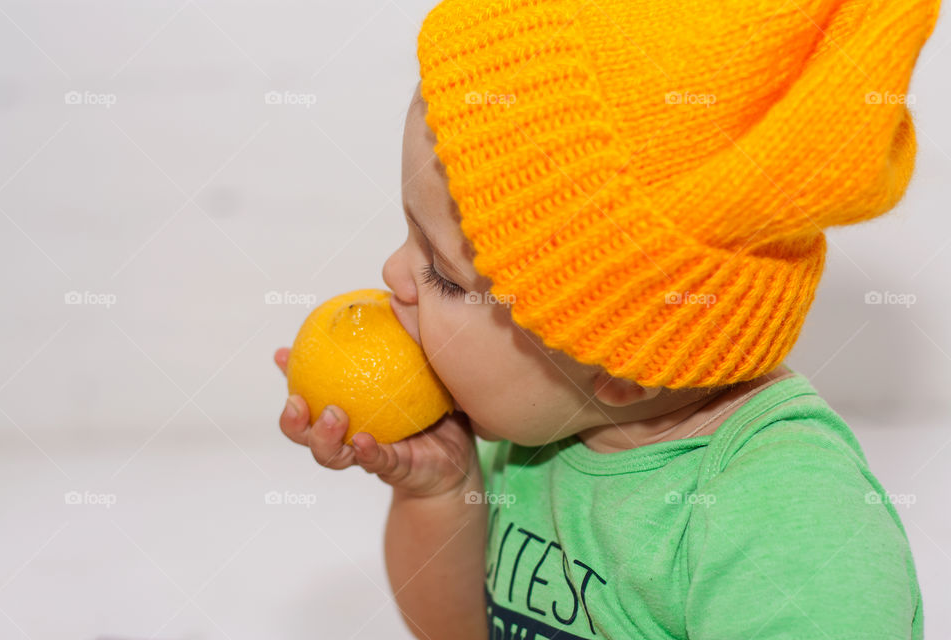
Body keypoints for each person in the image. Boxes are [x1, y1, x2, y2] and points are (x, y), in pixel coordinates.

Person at [275, 0, 940, 637]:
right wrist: (437, 491)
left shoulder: (790, 521)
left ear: (624, 368)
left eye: (444, 275)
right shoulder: (553, 413)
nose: (393, 273)